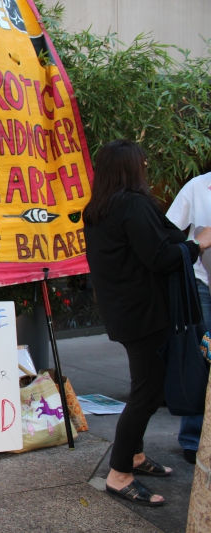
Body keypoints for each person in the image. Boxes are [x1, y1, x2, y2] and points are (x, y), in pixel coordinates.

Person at [84, 139, 211, 506]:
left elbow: (154, 239)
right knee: (147, 393)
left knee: (146, 388)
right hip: (145, 315)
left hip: (125, 312)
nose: (146, 168)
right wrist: (197, 244)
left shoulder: (99, 208)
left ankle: (135, 456)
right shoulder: (133, 205)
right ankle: (119, 472)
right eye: (142, 162)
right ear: (131, 168)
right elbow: (161, 257)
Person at [165, 171, 211, 465]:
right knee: (202, 354)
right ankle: (193, 439)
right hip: (202, 283)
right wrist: (195, 243)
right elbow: (168, 232)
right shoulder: (197, 187)